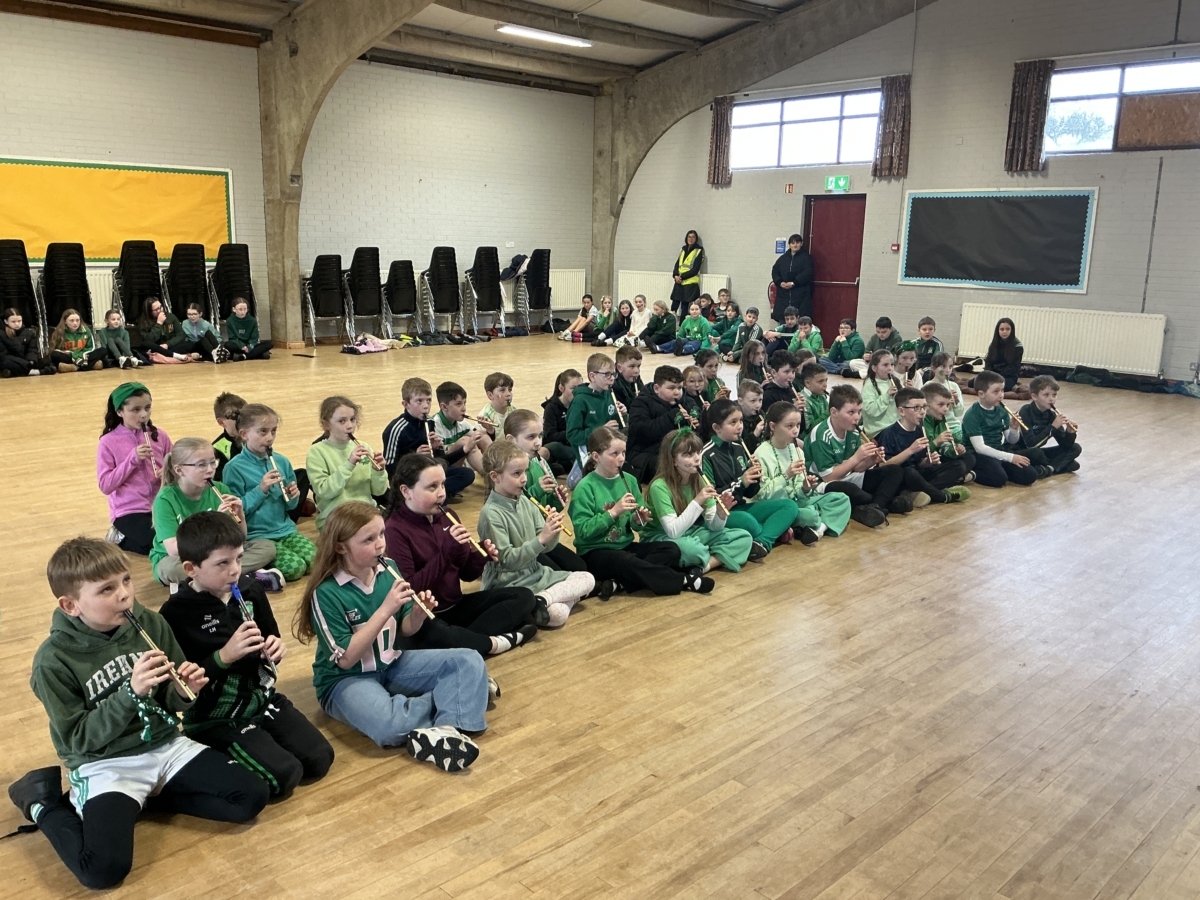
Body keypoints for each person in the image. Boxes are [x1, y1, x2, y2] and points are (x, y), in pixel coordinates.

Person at [9, 537, 268, 889]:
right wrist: (129, 694)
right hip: (106, 762)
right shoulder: (52, 661)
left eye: (127, 580)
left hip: (164, 744)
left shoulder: (149, 623)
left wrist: (183, 691)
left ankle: (139, 800)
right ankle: (43, 803)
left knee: (250, 796)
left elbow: (172, 701)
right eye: (106, 589)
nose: (124, 595)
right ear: (70, 605)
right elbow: (78, 739)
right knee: (102, 870)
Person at [296, 501, 488, 769]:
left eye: (382, 534)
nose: (380, 545)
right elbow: (346, 659)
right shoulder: (326, 592)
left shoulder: (389, 569)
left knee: (468, 660)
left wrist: (418, 614)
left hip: (391, 663)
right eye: (369, 539)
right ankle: (457, 697)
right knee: (389, 727)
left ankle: (446, 729)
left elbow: (407, 628)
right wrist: (386, 608)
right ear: (340, 547)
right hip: (345, 679)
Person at [159, 512, 334, 799]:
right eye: (223, 563)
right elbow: (181, 687)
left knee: (319, 758)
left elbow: (270, 636)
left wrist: (274, 650)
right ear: (191, 568)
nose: (235, 570)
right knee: (284, 776)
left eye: (239, 558)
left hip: (259, 698)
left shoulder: (250, 589)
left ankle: (256, 734)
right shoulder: (176, 613)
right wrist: (224, 656)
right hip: (214, 715)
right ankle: (210, 748)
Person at [384, 454, 538, 654]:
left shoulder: (448, 515)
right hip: (423, 616)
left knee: (524, 596)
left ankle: (466, 641)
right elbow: (410, 589)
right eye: (432, 487)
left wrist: (481, 556)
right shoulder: (394, 530)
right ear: (406, 491)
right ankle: (492, 643)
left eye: (443, 485)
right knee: (434, 633)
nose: (441, 493)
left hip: (455, 606)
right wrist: (446, 553)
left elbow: (467, 574)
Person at [567, 427, 702, 596]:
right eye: (614, 454)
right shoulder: (584, 487)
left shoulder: (629, 480)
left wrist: (638, 520)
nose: (621, 458)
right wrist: (613, 512)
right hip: (594, 552)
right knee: (626, 561)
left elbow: (635, 526)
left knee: (671, 550)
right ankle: (682, 581)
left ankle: (619, 583)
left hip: (625, 546)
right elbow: (583, 532)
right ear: (596, 457)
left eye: (623, 453)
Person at [478, 441, 595, 627]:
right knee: (557, 615)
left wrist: (552, 531)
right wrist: (541, 539)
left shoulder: (526, 501)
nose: (524, 479)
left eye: (525, 472)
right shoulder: (490, 514)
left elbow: (547, 548)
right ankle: (544, 602)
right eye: (516, 473)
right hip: (509, 582)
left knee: (588, 578)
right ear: (495, 477)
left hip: (536, 573)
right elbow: (507, 560)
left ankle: (543, 600)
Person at [150, 437, 280, 587]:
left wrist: (240, 515)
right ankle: (240, 577)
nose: (210, 469)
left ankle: (215, 578)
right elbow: (173, 550)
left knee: (267, 548)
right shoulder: (165, 499)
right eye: (201, 465)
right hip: (181, 557)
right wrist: (214, 523)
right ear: (179, 470)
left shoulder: (220, 489)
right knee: (171, 569)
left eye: (213, 462)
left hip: (218, 554)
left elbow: (240, 538)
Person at [223, 404, 316, 582]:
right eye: (263, 432)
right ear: (244, 434)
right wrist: (261, 489)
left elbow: (290, 506)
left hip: (285, 530)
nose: (270, 437)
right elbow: (236, 511)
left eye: (273, 431)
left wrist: (292, 496)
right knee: (295, 568)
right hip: (258, 537)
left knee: (314, 561)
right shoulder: (234, 468)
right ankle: (255, 572)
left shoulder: (281, 461)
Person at [643, 428, 749, 578]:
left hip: (689, 531)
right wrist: (698, 501)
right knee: (692, 549)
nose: (697, 458)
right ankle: (709, 555)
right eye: (688, 454)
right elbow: (673, 531)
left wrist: (720, 512)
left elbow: (714, 526)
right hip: (660, 536)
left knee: (743, 537)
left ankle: (705, 566)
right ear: (673, 460)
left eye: (698, 452)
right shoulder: (659, 486)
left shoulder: (699, 479)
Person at [701, 399, 796, 558]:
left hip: (742, 505)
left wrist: (755, 476)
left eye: (740, 421)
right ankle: (771, 534)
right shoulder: (706, 455)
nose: (740, 426)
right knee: (748, 521)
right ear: (716, 427)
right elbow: (712, 497)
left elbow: (750, 493)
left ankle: (762, 541)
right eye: (733, 422)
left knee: (789, 506)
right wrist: (742, 481)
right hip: (721, 513)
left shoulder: (739, 449)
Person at [804, 384, 909, 527]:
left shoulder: (853, 431)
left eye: (859, 412)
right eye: (851, 412)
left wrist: (871, 460)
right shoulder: (821, 435)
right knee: (851, 490)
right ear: (834, 412)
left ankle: (875, 506)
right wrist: (857, 458)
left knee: (895, 470)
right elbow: (829, 477)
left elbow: (857, 468)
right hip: (822, 484)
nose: (857, 417)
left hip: (847, 476)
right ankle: (884, 503)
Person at [502, 410, 591, 576]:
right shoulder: (508, 472)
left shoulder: (539, 463)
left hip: (541, 532)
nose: (538, 443)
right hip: (522, 542)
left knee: (579, 566)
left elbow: (545, 507)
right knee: (557, 574)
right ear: (511, 440)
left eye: (540, 436)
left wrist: (556, 500)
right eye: (531, 437)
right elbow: (514, 506)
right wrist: (537, 489)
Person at [753, 402, 852, 544]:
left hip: (798, 501)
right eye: (789, 426)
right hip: (780, 507)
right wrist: (786, 475)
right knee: (810, 515)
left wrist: (805, 487)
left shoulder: (797, 450)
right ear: (773, 427)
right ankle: (818, 521)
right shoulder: (761, 454)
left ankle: (819, 530)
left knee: (842, 499)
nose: (795, 431)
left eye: (798, 425)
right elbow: (763, 495)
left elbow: (800, 490)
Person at [97, 382, 172, 555]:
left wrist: (169, 472)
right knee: (159, 544)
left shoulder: (159, 435)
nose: (144, 414)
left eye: (147, 408)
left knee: (180, 537)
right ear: (120, 412)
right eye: (135, 410)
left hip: (161, 502)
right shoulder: (108, 442)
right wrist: (132, 460)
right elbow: (105, 485)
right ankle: (120, 536)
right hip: (129, 510)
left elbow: (177, 464)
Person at [383, 377, 476, 500]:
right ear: (406, 404)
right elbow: (389, 468)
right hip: (409, 478)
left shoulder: (430, 422)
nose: (426, 406)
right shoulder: (396, 429)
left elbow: (440, 461)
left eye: (428, 400)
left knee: (467, 474)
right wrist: (414, 457)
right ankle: (432, 495)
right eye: (419, 401)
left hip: (428, 473)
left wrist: (437, 449)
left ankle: (431, 494)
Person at [877, 388, 972, 506]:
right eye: (916, 408)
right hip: (900, 477)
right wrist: (910, 450)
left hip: (918, 474)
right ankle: (941, 496)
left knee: (958, 465)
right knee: (909, 471)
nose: (922, 412)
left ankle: (917, 492)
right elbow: (883, 466)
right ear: (901, 411)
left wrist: (928, 461)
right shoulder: (889, 433)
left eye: (924, 407)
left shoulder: (920, 430)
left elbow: (919, 463)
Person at [307, 395, 389, 530]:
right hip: (335, 518)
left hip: (366, 513)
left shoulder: (364, 447)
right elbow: (324, 491)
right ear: (326, 424)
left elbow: (379, 491)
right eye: (342, 421)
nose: (350, 426)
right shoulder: (316, 452)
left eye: (352, 419)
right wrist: (349, 465)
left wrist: (379, 471)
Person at [961, 370, 1049, 487]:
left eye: (1002, 390)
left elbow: (1011, 440)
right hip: (977, 455)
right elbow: (980, 448)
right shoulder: (972, 415)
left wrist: (1014, 429)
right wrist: (1010, 458)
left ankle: (999, 469)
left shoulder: (1001, 410)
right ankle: (973, 473)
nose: (1001, 395)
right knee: (999, 478)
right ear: (981, 394)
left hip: (997, 450)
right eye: (996, 391)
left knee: (1030, 475)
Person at [626, 365, 688, 484]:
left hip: (677, 450)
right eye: (671, 388)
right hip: (647, 454)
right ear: (656, 388)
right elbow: (642, 432)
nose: (677, 392)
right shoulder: (641, 402)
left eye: (680, 388)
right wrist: (671, 417)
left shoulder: (687, 401)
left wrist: (695, 423)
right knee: (671, 467)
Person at [566, 353, 623, 473]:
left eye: (613, 374)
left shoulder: (608, 393)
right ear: (592, 376)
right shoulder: (580, 401)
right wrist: (601, 430)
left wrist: (623, 414)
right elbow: (572, 435)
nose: (612, 378)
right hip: (589, 453)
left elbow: (617, 423)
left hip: (608, 449)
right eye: (607, 374)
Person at [1018, 375, 1082, 474]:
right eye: (1046, 395)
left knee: (1075, 448)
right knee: (1037, 453)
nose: (1051, 399)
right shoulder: (1025, 411)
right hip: (1023, 452)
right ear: (1034, 396)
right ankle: (1056, 465)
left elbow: (1065, 445)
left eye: (1054, 395)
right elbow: (1031, 444)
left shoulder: (1051, 414)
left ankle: (1049, 468)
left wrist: (1069, 433)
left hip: (1037, 451)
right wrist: (1052, 427)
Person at [432, 380, 490, 481]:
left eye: (464, 403)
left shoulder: (462, 423)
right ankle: (492, 479)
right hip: (444, 469)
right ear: (444, 407)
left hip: (459, 464)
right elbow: (440, 461)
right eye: (458, 404)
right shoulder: (434, 425)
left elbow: (481, 437)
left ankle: (499, 471)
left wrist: (489, 430)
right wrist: (466, 447)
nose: (464, 408)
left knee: (482, 436)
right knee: (465, 441)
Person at [921, 382, 977, 483]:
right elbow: (921, 453)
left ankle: (953, 478)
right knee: (959, 466)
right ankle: (943, 483)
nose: (946, 409)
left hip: (937, 457)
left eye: (947, 405)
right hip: (925, 463)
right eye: (941, 405)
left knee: (969, 457)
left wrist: (954, 450)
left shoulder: (941, 420)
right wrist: (936, 441)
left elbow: (943, 448)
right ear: (926, 406)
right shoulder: (921, 422)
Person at [541, 369, 582, 473]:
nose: (577, 392)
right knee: (552, 447)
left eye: (580, 388)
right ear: (561, 388)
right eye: (573, 388)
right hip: (560, 447)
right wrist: (572, 433)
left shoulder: (581, 405)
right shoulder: (551, 407)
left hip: (577, 446)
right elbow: (550, 435)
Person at [139, 297, 197, 365]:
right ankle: (175, 356)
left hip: (169, 347)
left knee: (189, 344)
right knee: (145, 344)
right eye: (156, 309)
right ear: (150, 312)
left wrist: (167, 344)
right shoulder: (144, 322)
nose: (160, 310)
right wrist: (159, 323)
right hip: (156, 347)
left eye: (160, 307)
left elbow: (180, 335)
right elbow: (149, 339)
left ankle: (168, 355)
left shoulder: (171, 317)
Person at [0, 307, 56, 376]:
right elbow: (3, 354)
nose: (17, 324)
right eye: (13, 322)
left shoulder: (29, 333)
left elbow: (32, 349)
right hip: (13, 361)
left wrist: (31, 360)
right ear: (6, 321)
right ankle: (37, 372)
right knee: (5, 361)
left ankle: (15, 372)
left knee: (46, 359)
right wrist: (23, 363)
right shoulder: (2, 334)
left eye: (19, 321)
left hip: (26, 360)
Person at [983, 317, 1030, 398]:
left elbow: (1014, 366)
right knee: (973, 383)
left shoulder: (1017, 346)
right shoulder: (994, 344)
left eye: (1007, 329)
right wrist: (989, 374)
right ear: (998, 330)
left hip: (1007, 376)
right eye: (1002, 329)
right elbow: (988, 362)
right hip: (993, 374)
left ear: (1012, 330)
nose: (1004, 332)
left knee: (1004, 386)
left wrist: (998, 377)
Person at [771, 233, 814, 321]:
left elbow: (807, 272)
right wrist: (780, 282)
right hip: (783, 296)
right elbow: (775, 271)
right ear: (789, 245)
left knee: (800, 321)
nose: (795, 245)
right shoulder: (782, 259)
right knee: (783, 321)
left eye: (797, 243)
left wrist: (794, 282)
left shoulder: (806, 258)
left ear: (801, 244)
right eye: (793, 243)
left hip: (800, 295)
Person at [861, 350, 901, 438]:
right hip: (878, 430)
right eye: (885, 365)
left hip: (894, 425)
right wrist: (887, 396)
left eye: (892, 364)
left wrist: (907, 392)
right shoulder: (870, 385)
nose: (890, 368)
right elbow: (870, 410)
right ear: (874, 368)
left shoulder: (895, 381)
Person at [925, 352, 966, 437]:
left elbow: (959, 414)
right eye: (943, 367)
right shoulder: (928, 386)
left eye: (950, 367)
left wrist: (956, 401)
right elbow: (926, 411)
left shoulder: (954, 386)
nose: (947, 370)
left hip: (953, 425)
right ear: (933, 368)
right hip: (936, 427)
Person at [220, 297, 273, 361]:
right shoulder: (229, 320)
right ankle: (258, 354)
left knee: (270, 344)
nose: (243, 312)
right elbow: (232, 337)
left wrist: (249, 347)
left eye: (245, 309)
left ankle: (243, 356)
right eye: (240, 309)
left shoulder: (252, 320)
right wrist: (242, 346)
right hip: (238, 346)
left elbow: (254, 338)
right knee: (227, 344)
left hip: (250, 345)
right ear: (234, 309)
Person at [212, 392, 247, 482]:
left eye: (245, 415)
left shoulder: (255, 438)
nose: (242, 420)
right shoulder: (216, 449)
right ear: (221, 422)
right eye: (235, 416)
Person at [670, 230, 704, 317]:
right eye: (689, 237)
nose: (691, 239)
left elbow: (695, 269)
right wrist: (675, 275)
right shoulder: (683, 249)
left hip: (690, 283)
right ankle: (672, 322)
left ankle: (682, 324)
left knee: (684, 308)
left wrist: (681, 277)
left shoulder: (698, 250)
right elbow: (677, 264)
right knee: (674, 306)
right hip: (679, 282)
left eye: (693, 237)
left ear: (696, 239)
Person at [762, 351, 806, 415]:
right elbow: (772, 419)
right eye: (786, 372)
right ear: (774, 373)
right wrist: (793, 409)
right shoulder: (768, 395)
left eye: (793, 372)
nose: (791, 376)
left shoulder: (791, 389)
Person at [800, 362, 831, 432]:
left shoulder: (821, 396)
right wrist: (829, 411)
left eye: (826, 380)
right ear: (808, 383)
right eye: (820, 381)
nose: (825, 385)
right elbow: (809, 429)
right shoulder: (802, 401)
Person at [613, 344, 645, 412]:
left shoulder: (636, 379)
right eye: (632, 366)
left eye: (638, 366)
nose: (636, 371)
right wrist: (635, 400)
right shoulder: (615, 385)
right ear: (619, 368)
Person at [737, 380, 765, 453]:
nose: (758, 405)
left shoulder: (760, 414)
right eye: (753, 401)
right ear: (740, 401)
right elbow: (738, 448)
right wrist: (755, 435)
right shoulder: (735, 419)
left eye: (760, 400)